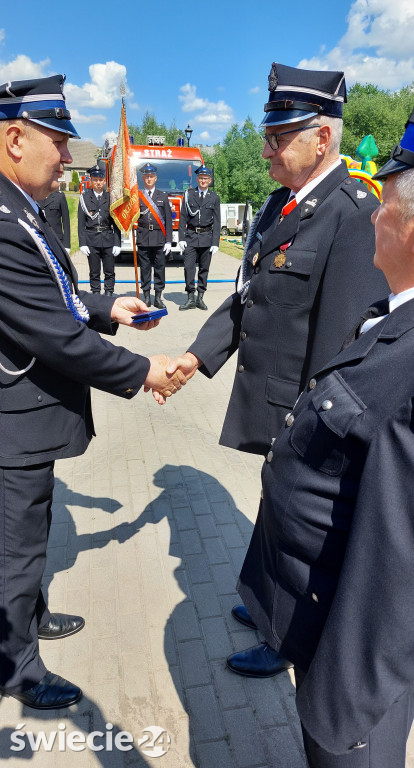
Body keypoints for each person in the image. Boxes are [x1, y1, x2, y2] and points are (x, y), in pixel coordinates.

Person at [225, 86, 414, 767]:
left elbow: (408, 559)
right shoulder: (398, 318)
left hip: (355, 680)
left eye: (386, 203)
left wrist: (349, 706)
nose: (375, 216)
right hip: (321, 623)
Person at [164, 63, 388, 673]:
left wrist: (312, 429)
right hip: (275, 400)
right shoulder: (279, 204)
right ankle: (265, 602)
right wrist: (194, 357)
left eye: (277, 137)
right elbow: (248, 297)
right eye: (267, 135)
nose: (265, 149)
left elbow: (342, 343)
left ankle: (287, 636)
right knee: (273, 509)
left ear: (322, 138)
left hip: (308, 412)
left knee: (299, 525)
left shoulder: (352, 212)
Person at [0, 74, 186, 710]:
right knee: (16, 544)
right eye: (58, 143)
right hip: (14, 419)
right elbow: (54, 335)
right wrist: (142, 371)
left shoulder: (18, 205)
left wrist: (109, 308)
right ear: (15, 139)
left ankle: (27, 618)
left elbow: (55, 293)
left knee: (29, 531)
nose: (66, 159)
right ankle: (16, 665)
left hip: (25, 416)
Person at [178, 165, 221, 310]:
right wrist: (181, 238)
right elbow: (183, 218)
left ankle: (200, 298)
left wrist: (215, 242)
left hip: (207, 238)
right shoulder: (189, 195)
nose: (203, 181)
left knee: (204, 269)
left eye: (206, 178)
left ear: (210, 180)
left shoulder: (214, 197)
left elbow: (217, 221)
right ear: (197, 179)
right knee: (188, 268)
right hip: (190, 237)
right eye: (201, 178)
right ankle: (190, 297)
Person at [78, 165, 121, 295]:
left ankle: (109, 293)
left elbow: (116, 223)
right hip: (92, 239)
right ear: (91, 180)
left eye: (100, 180)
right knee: (94, 271)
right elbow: (81, 223)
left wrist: (117, 243)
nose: (98, 182)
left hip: (108, 238)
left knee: (109, 271)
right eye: (95, 180)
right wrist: (82, 243)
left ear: (104, 181)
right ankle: (96, 294)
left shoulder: (110, 197)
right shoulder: (85, 198)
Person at [136, 163, 172, 308]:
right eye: (146, 176)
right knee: (144, 269)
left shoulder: (163, 196)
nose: (149, 179)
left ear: (155, 178)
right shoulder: (137, 196)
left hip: (159, 238)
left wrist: (169, 241)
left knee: (159, 268)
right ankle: (146, 297)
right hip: (143, 237)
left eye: (151, 176)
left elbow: (168, 220)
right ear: (143, 178)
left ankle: (158, 297)